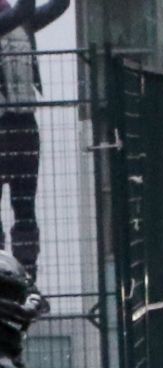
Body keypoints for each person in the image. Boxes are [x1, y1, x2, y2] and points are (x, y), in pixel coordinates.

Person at [0, 0, 71, 275]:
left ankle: (26, 275)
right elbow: (23, 11)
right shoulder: (18, 19)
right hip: (9, 124)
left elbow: (56, 7)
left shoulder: (21, 22)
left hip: (24, 124)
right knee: (24, 207)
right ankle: (11, 275)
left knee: (25, 205)